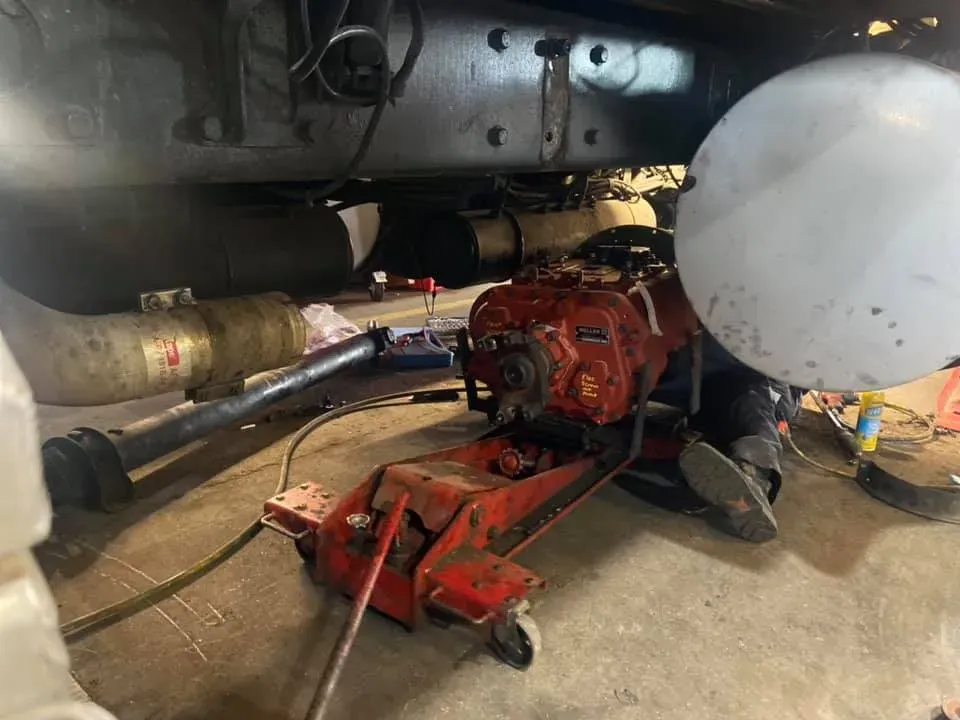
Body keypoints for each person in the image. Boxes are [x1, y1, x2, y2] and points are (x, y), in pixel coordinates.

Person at [638, 333, 804, 543]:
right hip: (705, 372)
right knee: (739, 404)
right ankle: (736, 483)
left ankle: (753, 477)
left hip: (731, 374)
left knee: (753, 400)